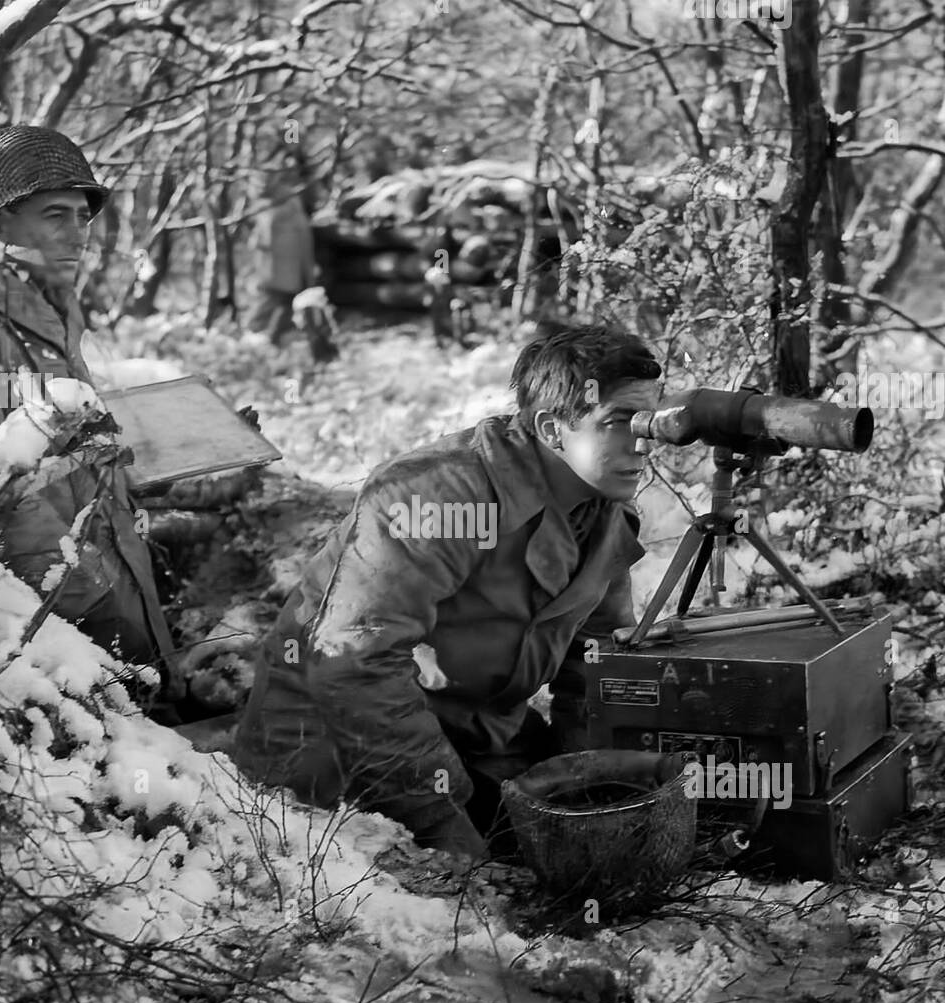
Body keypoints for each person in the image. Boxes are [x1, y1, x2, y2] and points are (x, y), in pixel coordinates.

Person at [232, 323, 663, 860]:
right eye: (619, 422)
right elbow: (354, 663)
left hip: (479, 739)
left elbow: (592, 667)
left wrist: (590, 788)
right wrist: (441, 818)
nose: (643, 441)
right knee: (455, 901)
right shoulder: (441, 497)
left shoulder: (606, 516)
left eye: (649, 421)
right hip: (335, 748)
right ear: (553, 428)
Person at [0, 125, 177, 689]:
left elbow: (69, 443)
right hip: (44, 626)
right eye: (55, 215)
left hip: (99, 586)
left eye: (82, 214)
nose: (78, 233)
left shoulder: (44, 301)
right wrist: (88, 597)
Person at [247, 165, 317, 346]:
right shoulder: (269, 204)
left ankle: (269, 339)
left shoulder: (286, 201)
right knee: (274, 300)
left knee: (282, 301)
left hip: (285, 264)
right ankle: (259, 336)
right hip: (274, 266)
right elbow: (260, 237)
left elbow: (301, 234)